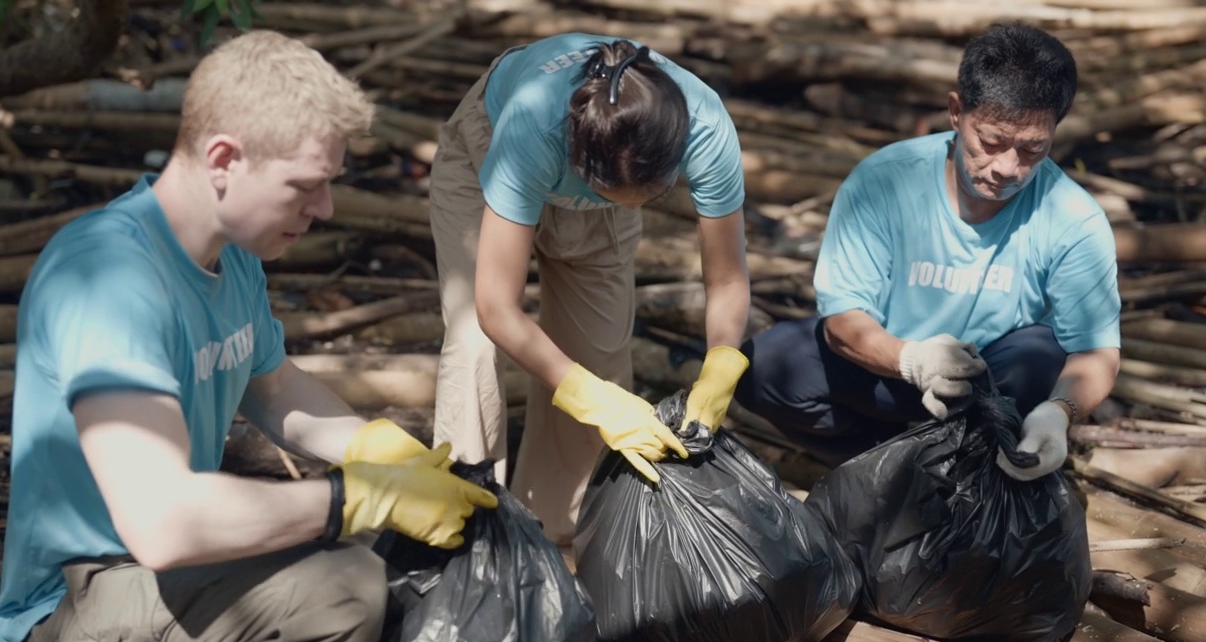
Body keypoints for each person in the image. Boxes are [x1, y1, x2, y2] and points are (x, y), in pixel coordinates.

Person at [0, 30, 497, 642]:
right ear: (224, 159)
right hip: (80, 601)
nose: (325, 211)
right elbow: (163, 524)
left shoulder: (234, 255)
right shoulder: (109, 280)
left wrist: (380, 453)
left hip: (170, 576)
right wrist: (355, 498)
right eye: (305, 187)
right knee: (343, 592)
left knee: (401, 556)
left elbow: (275, 388)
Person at [735, 22, 1120, 480]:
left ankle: (967, 470)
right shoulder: (884, 182)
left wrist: (1058, 412)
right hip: (889, 370)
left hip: (990, 393)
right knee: (770, 362)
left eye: (1032, 149)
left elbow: (1096, 352)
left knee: (1038, 355)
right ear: (956, 111)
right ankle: (877, 468)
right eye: (991, 142)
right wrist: (913, 361)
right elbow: (843, 320)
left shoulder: (1073, 217)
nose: (1007, 168)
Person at [429, 33, 752, 552]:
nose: (631, 209)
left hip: (595, 187)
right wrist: (590, 399)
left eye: (645, 198)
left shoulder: (707, 128)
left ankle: (560, 539)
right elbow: (494, 306)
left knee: (598, 357)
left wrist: (721, 360)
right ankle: (465, 537)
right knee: (473, 345)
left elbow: (729, 279)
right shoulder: (534, 126)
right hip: (489, 148)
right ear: (582, 164)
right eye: (616, 195)